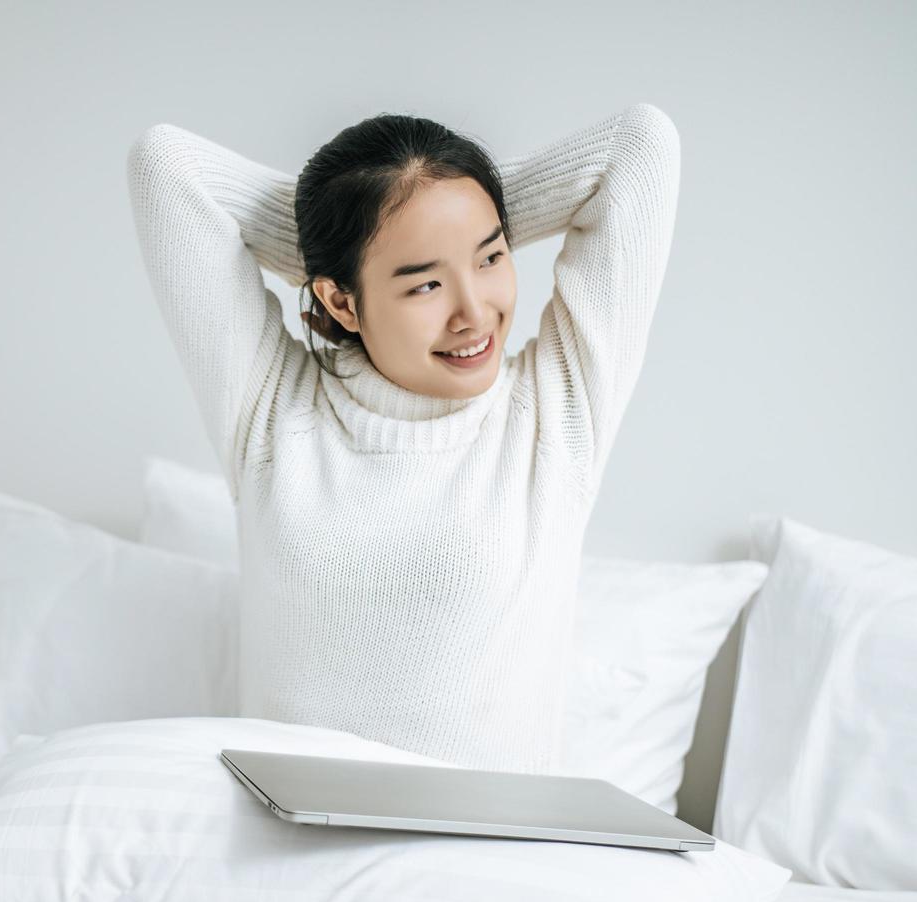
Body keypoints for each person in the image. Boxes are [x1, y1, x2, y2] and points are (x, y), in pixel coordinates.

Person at [125, 103, 680, 774]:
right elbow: (167, 167)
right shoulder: (272, 410)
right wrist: (349, 229)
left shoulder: (555, 413)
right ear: (337, 302)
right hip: (288, 850)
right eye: (424, 283)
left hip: (483, 856)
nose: (473, 313)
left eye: (491, 257)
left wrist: (438, 202)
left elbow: (638, 148)